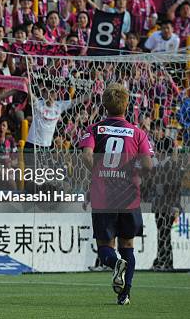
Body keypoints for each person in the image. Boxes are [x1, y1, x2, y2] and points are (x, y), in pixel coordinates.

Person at [80, 83, 154, 305]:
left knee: (105, 246)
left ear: (104, 104)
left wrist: (98, 173)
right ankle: (125, 294)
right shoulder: (137, 132)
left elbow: (85, 156)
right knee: (128, 246)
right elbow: (149, 165)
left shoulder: (94, 129)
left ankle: (115, 264)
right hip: (129, 196)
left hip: (103, 196)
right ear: (126, 105)